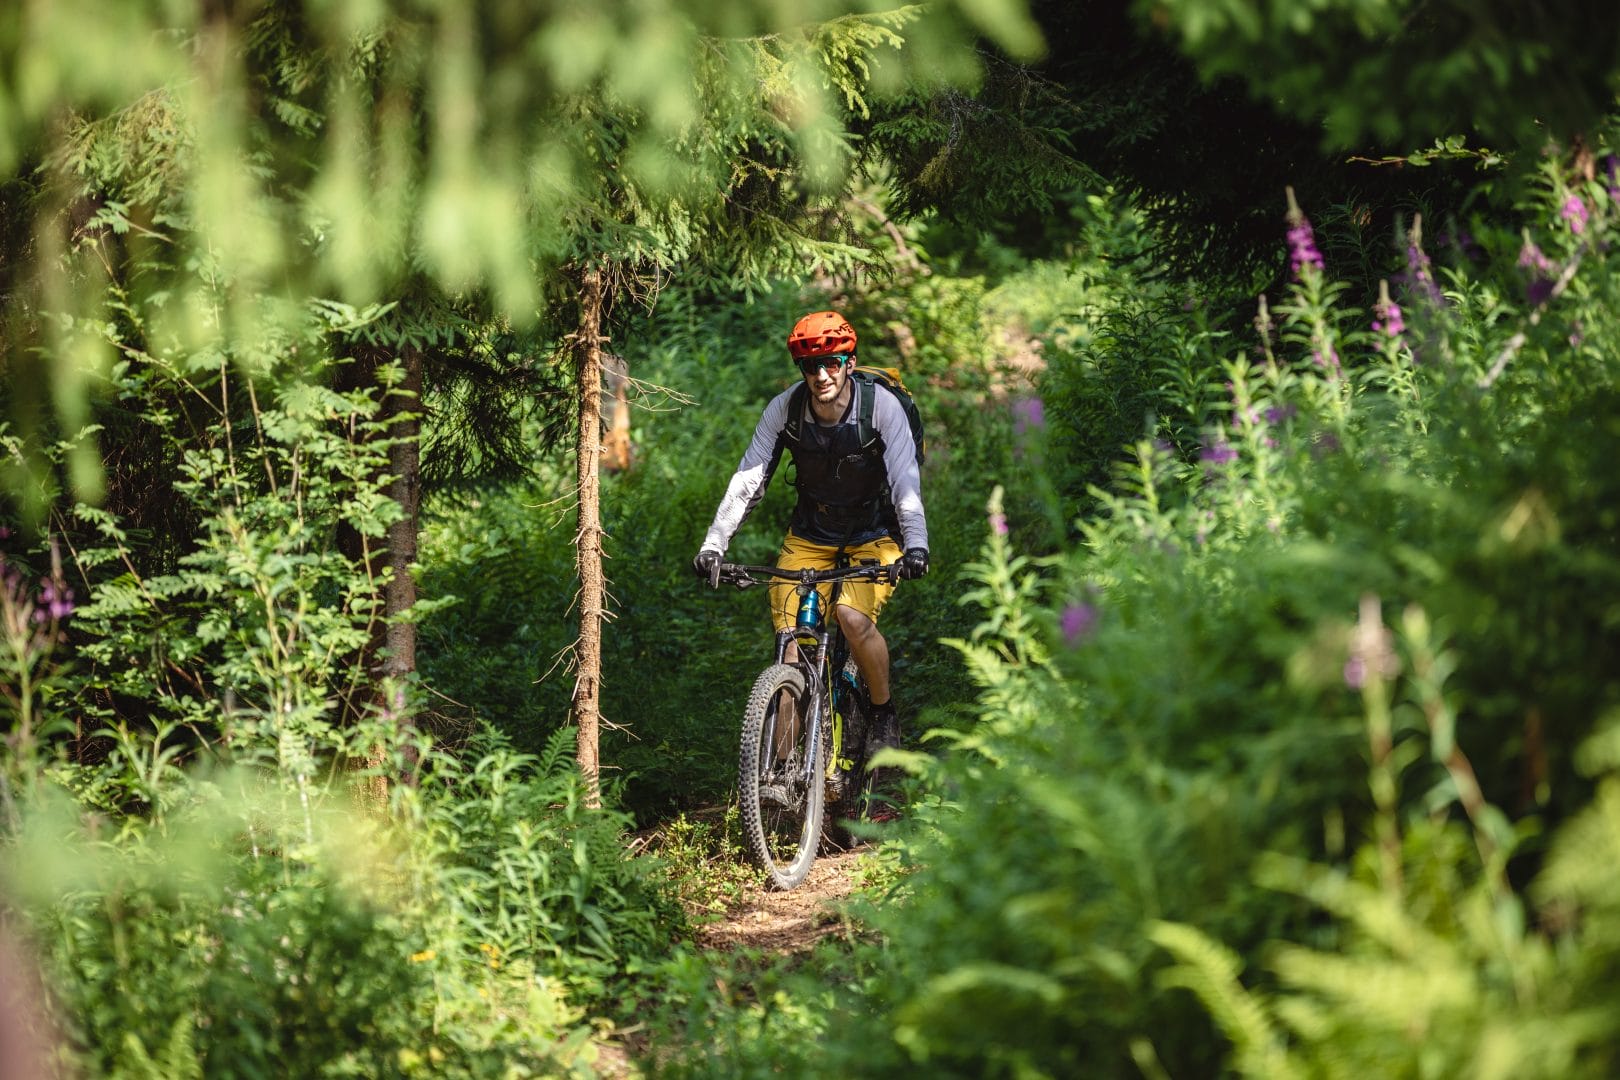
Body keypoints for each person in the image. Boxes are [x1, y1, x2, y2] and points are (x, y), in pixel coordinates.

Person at [693, 309, 929, 760]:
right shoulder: (785, 408)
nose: (821, 375)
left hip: (874, 533)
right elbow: (748, 479)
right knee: (790, 652)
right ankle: (780, 776)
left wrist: (916, 545)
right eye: (810, 366)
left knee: (853, 619)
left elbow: (905, 483)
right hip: (811, 535)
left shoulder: (882, 408)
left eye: (832, 363)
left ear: (850, 364)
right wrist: (713, 545)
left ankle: (882, 714)